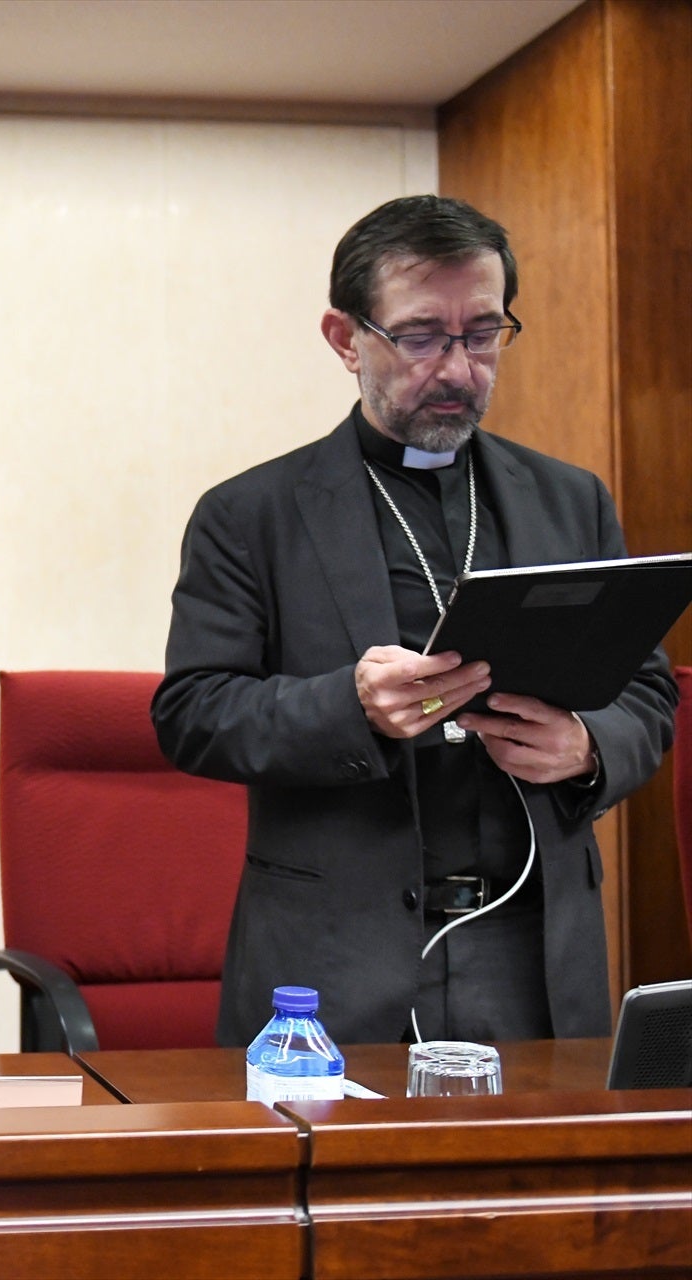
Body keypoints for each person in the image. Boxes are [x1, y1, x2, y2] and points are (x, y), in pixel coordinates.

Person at [153, 195, 676, 1046]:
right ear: (345, 338)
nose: (460, 368)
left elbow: (648, 694)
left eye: (482, 333)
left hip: (533, 959)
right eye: (423, 335)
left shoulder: (571, 501)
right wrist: (348, 706)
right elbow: (192, 715)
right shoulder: (250, 514)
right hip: (333, 968)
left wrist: (586, 747)